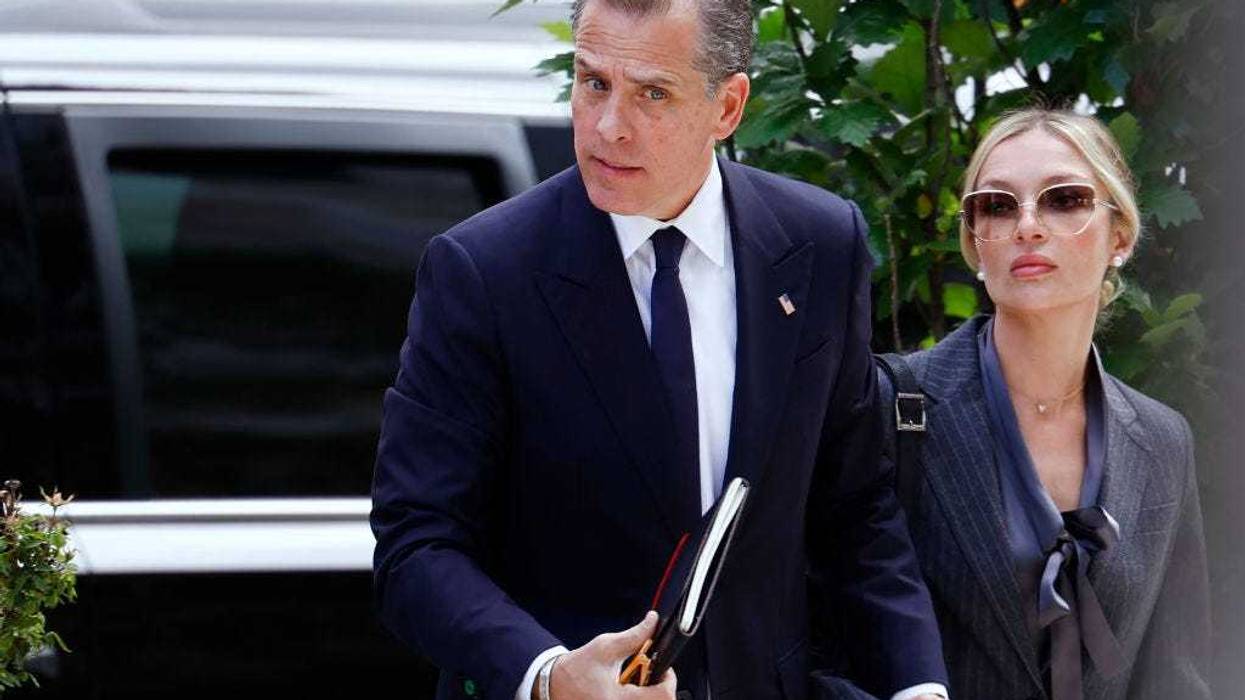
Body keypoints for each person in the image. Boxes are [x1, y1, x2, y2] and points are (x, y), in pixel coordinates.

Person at [369, 0, 949, 698]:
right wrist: (548, 674)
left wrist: (917, 688)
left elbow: (855, 509)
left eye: (652, 93)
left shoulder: (819, 244)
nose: (608, 127)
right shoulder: (482, 271)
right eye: (592, 83)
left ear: (728, 106)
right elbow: (417, 547)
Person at [876, 108, 1212, 699]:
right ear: (976, 244)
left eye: (1064, 199)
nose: (1028, 225)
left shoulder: (1162, 440)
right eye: (998, 206)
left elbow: (1174, 675)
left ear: (1121, 236)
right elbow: (815, 640)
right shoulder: (893, 404)